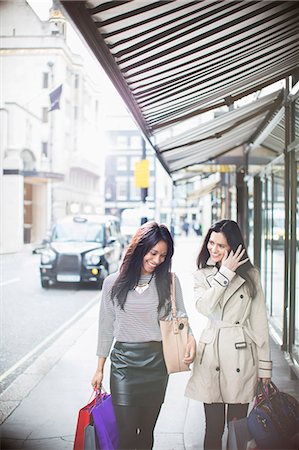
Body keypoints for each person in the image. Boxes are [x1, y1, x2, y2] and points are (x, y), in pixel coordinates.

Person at [92, 221, 196, 450]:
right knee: (127, 434)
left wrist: (191, 338)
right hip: (124, 365)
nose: (157, 260)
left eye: (163, 255)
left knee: (146, 433)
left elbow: (180, 316)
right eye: (153, 252)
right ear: (140, 248)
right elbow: (106, 326)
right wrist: (100, 367)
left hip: (156, 365)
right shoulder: (113, 282)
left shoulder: (169, 281)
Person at [185, 219, 272, 450]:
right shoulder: (202, 275)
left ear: (234, 248)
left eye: (220, 246)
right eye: (211, 243)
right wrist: (224, 273)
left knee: (237, 427)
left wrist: (265, 368)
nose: (213, 249)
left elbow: (259, 323)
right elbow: (204, 307)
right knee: (212, 428)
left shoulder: (251, 276)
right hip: (211, 354)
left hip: (241, 356)